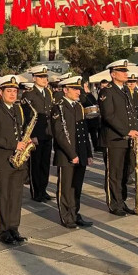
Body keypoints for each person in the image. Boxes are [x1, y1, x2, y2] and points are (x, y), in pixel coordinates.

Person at [0, 75, 30, 244]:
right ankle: (2, 230)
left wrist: (26, 142)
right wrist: (14, 144)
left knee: (16, 196)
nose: (12, 94)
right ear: (0, 92)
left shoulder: (18, 109)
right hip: (3, 159)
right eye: (9, 91)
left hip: (18, 160)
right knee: (3, 196)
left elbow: (21, 130)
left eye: (15, 91)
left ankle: (13, 228)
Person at [98, 59, 138, 216]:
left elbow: (131, 113)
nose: (126, 74)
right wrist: (126, 131)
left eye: (125, 71)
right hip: (113, 139)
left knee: (124, 173)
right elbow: (109, 116)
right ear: (113, 74)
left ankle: (121, 201)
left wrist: (135, 130)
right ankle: (114, 204)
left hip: (126, 139)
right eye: (122, 71)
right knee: (114, 174)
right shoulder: (107, 91)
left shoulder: (126, 90)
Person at [52, 76, 93, 229]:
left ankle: (76, 213)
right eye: (75, 89)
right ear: (65, 90)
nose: (78, 92)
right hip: (66, 155)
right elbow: (60, 134)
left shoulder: (78, 107)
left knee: (77, 187)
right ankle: (66, 216)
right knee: (66, 187)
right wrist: (72, 154)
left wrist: (88, 153)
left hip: (80, 153)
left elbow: (84, 132)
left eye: (79, 89)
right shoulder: (59, 107)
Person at [21, 65, 54, 202]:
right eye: (41, 77)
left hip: (47, 133)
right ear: (34, 78)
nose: (44, 79)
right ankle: (36, 191)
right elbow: (27, 117)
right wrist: (31, 135)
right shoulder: (29, 94)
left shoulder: (48, 92)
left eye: (45, 77)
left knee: (45, 163)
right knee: (36, 163)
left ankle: (43, 189)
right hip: (36, 134)